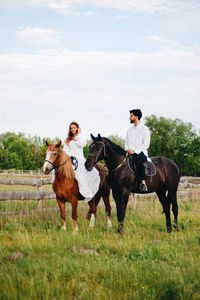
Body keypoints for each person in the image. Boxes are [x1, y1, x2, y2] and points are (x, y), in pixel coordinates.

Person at [63, 121, 100, 202]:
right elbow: (65, 149)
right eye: (71, 128)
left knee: (80, 173)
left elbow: (82, 145)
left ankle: (85, 192)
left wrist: (78, 135)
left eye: (74, 128)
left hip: (79, 158)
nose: (72, 129)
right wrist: (68, 155)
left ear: (77, 128)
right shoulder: (68, 138)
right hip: (69, 157)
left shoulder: (81, 136)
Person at [125, 109, 151, 192]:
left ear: (136, 117)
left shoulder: (145, 129)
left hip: (141, 153)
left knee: (139, 161)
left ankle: (142, 183)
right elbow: (126, 142)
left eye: (131, 116)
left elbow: (146, 144)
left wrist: (135, 151)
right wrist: (127, 149)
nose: (129, 117)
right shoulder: (129, 130)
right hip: (129, 152)